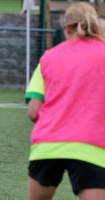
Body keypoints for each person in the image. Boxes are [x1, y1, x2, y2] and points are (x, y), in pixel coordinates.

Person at [25, 2, 105, 200]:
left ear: (66, 28)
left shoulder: (48, 57)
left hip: (47, 146)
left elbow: (33, 111)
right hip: (92, 147)